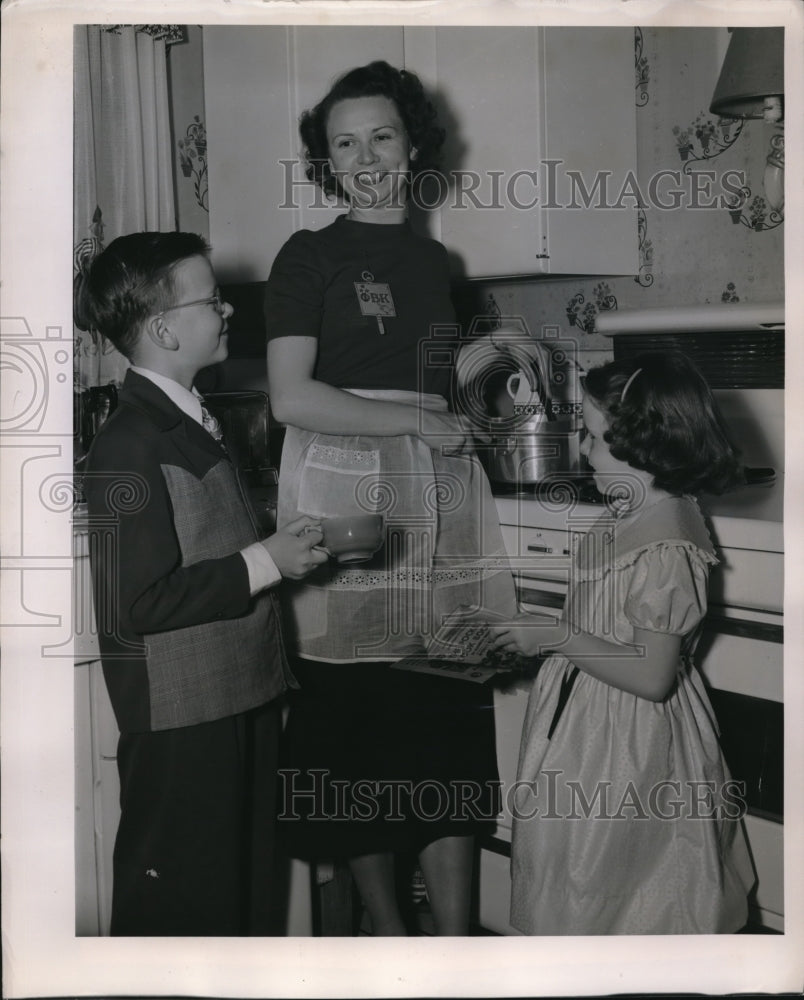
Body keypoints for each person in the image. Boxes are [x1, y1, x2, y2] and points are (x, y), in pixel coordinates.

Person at [264, 61, 517, 935]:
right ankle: (392, 940)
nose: (365, 156)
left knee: (445, 703)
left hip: (440, 496)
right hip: (348, 495)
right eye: (344, 143)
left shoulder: (432, 258)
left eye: (381, 136)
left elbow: (429, 384)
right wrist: (413, 427)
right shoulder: (310, 254)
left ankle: (454, 944)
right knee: (358, 726)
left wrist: (470, 408)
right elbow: (292, 397)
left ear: (414, 146)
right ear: (325, 163)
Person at [77, 231, 328, 935]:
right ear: (162, 327)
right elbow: (138, 604)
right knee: (182, 912)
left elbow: (202, 534)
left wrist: (278, 540)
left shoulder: (185, 416)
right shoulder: (128, 442)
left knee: (237, 904)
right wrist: (267, 561)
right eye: (211, 300)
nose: (226, 312)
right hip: (182, 722)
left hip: (232, 695)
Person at [490, 350, 756, 935]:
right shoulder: (632, 510)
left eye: (590, 436)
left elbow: (652, 676)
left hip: (629, 741)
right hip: (589, 718)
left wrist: (557, 634)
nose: (582, 450)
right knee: (576, 875)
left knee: (612, 883)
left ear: (641, 445)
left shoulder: (667, 546)